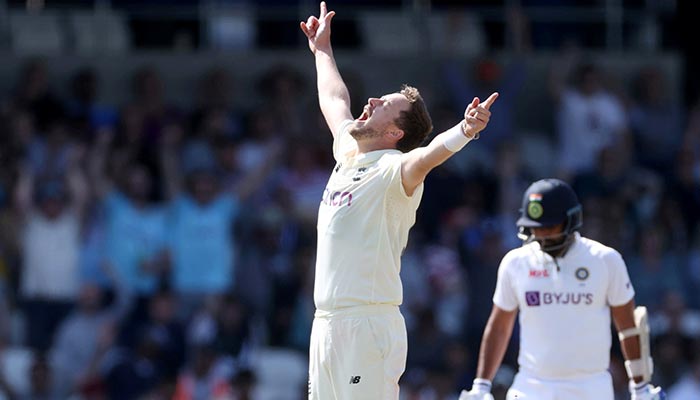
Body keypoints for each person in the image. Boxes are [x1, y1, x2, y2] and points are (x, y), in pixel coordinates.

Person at [300, 2, 498, 399]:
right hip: (327, 322)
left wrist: (465, 129)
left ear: (394, 133)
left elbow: (431, 154)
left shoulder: (395, 170)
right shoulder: (349, 153)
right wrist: (322, 50)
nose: (370, 101)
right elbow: (334, 99)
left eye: (383, 105)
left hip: (368, 324)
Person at [459, 178, 665, 400]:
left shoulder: (605, 260)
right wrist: (481, 386)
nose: (542, 235)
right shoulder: (516, 262)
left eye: (550, 227)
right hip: (532, 385)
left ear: (571, 220)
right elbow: (499, 327)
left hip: (590, 387)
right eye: (536, 228)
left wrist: (640, 387)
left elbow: (628, 328)